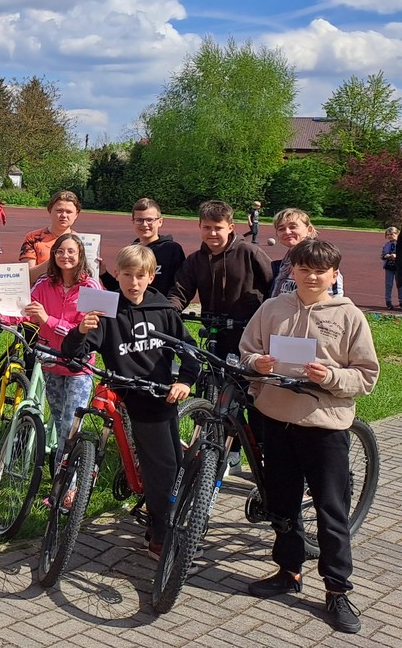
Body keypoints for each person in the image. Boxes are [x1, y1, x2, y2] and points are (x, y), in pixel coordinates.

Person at [240, 238, 378, 634]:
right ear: (293, 272)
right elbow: (247, 352)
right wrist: (258, 363)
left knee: (330, 511)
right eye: (304, 268)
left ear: (334, 275)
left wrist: (331, 375)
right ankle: (288, 570)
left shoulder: (350, 316)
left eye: (321, 270)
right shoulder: (272, 308)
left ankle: (337, 590)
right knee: (282, 505)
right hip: (276, 419)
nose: (312, 275)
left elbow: (366, 376)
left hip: (324, 425)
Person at [62, 244, 197, 556]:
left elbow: (188, 351)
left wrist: (185, 381)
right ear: (117, 275)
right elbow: (74, 354)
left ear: (150, 277)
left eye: (140, 276)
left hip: (163, 395)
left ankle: (160, 518)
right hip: (132, 396)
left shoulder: (163, 311)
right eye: (126, 275)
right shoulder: (108, 312)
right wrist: (80, 331)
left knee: (170, 463)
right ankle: (159, 535)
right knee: (163, 467)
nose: (133, 282)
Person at [13, 233, 103, 463]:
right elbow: (25, 312)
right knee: (59, 419)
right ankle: (63, 478)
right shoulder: (45, 283)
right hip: (51, 363)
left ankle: (66, 488)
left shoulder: (91, 287)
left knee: (69, 429)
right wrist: (0, 316)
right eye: (60, 251)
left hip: (78, 367)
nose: (65, 256)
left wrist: (48, 320)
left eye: (71, 251)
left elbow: (84, 330)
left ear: (81, 254)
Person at [167, 200, 274, 359]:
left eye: (218, 228)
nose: (212, 233)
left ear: (230, 227)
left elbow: (272, 285)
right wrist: (168, 311)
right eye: (207, 228)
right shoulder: (195, 260)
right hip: (214, 328)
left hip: (248, 330)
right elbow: (180, 290)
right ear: (200, 227)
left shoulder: (250, 252)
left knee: (243, 380)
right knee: (213, 374)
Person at [99, 197, 185, 297]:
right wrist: (104, 274)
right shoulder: (131, 251)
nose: (144, 224)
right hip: (134, 309)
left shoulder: (171, 250)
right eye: (139, 220)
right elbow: (123, 289)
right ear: (133, 222)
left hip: (160, 309)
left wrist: (168, 310)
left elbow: (180, 287)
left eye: (149, 220)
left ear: (160, 221)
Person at [270, 208, 344, 298]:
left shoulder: (319, 257)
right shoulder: (286, 261)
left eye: (293, 227)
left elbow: (335, 297)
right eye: (281, 229)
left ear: (309, 230)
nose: (287, 232)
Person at [19, 191, 81, 276]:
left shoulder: (81, 241)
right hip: (40, 288)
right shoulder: (33, 238)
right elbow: (27, 276)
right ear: (50, 211)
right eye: (59, 210)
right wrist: (55, 261)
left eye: (69, 212)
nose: (63, 215)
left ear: (76, 214)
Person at [383, 226, 399, 310]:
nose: (389, 236)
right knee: (388, 284)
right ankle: (388, 301)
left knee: (400, 284)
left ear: (397, 234)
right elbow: (382, 255)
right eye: (388, 234)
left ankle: (401, 301)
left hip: (399, 267)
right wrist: (386, 256)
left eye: (391, 234)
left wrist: (396, 256)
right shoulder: (387, 245)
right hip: (389, 267)